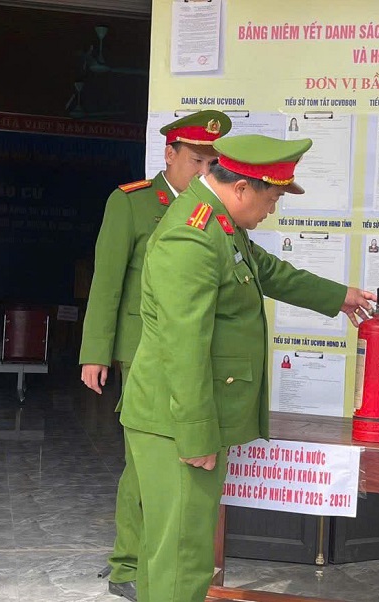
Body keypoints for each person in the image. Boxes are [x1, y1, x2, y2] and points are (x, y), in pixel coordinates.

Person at [119, 134, 375, 602]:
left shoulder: (219, 223)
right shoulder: (191, 236)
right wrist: (196, 434)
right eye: (272, 198)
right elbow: (183, 345)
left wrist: (339, 296)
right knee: (183, 555)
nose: (272, 210)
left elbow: (267, 271)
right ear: (241, 188)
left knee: (171, 553)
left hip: (180, 415)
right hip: (175, 421)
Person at [79, 109, 231, 601]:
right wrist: (95, 352)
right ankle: (128, 562)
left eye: (211, 163)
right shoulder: (134, 203)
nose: (204, 170)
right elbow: (107, 280)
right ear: (169, 154)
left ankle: (155, 563)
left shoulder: (214, 209)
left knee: (169, 469)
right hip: (141, 351)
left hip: (192, 356)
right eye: (195, 160)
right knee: (142, 465)